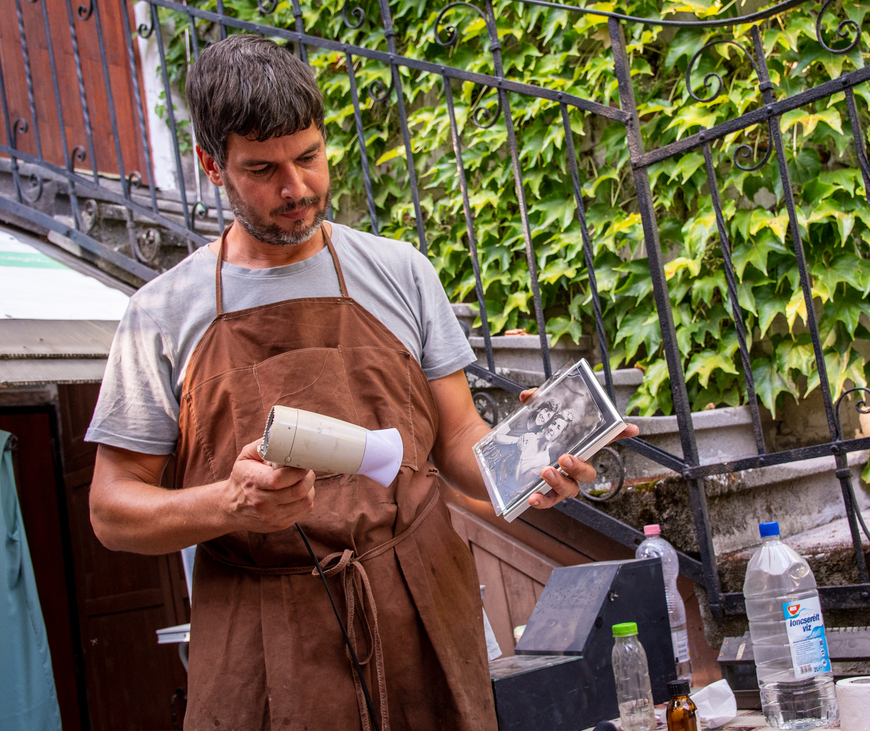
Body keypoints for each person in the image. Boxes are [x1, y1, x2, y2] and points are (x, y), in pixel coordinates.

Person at [84, 35, 636, 730]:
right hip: (261, 632)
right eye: (263, 169)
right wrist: (230, 503)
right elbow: (112, 508)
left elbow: (458, 438)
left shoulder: (400, 271)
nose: (297, 188)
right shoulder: (160, 314)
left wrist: (535, 467)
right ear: (210, 165)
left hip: (420, 603)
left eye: (309, 156)